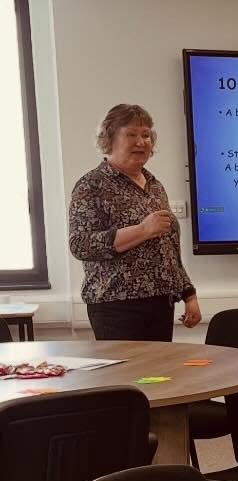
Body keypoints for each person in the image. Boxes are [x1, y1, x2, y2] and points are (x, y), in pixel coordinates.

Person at [68, 104, 201, 342]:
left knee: (158, 378)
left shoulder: (154, 185)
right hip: (115, 305)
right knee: (129, 378)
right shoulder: (91, 185)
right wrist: (141, 230)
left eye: (146, 135)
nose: (141, 142)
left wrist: (188, 294)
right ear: (109, 139)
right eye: (131, 135)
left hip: (160, 302)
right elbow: (80, 244)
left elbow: (168, 247)